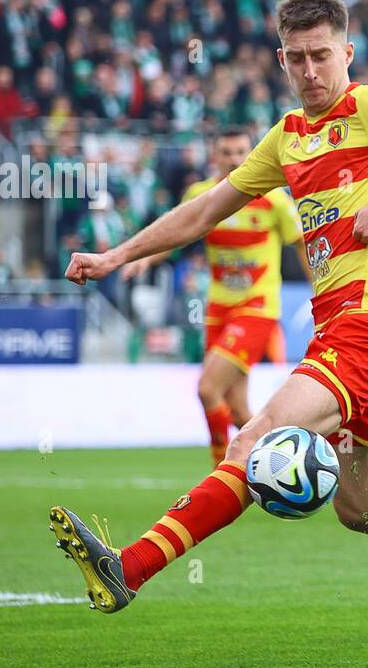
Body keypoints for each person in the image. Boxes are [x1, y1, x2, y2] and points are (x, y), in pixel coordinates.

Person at [52, 0, 368, 632]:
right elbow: (204, 210)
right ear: (282, 59)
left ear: (348, 53)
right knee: (365, 509)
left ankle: (128, 568)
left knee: (251, 440)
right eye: (297, 59)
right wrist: (118, 255)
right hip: (336, 328)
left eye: (322, 56)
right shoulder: (286, 139)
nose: (311, 71)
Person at [121, 127, 309, 463]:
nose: (235, 159)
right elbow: (178, 232)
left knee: (207, 388)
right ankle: (290, 461)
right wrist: (144, 258)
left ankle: (221, 473)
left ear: (252, 154)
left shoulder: (275, 199)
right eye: (226, 152)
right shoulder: (201, 193)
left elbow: (302, 245)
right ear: (214, 155)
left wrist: (322, 291)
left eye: (241, 152)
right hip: (217, 311)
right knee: (238, 411)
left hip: (257, 309)